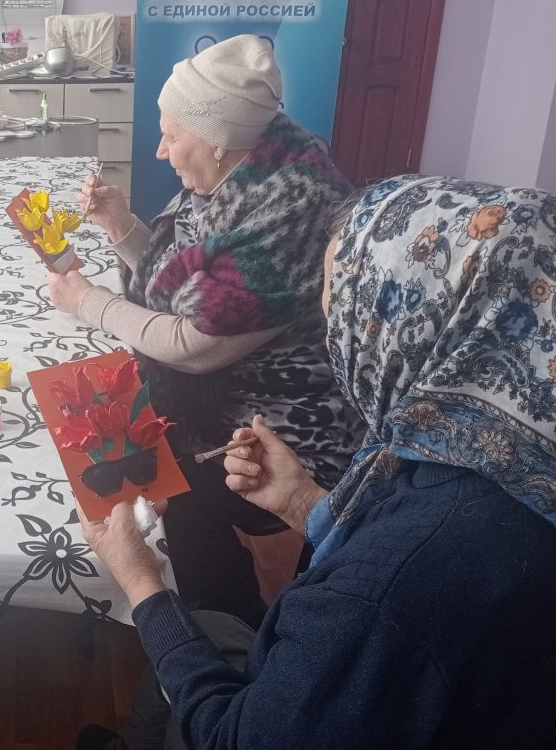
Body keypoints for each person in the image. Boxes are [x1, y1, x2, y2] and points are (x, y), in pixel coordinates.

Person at [76, 176, 556, 750]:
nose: (328, 326)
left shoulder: (399, 582)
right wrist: (306, 503)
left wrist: (141, 582)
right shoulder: (523, 448)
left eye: (338, 300)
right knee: (211, 629)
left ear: (402, 320)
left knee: (191, 651)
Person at [48, 34, 361, 625]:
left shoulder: (294, 209)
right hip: (225, 397)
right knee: (98, 432)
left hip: (291, 426)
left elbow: (195, 344)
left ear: (216, 138)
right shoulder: (239, 168)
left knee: (167, 489)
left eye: (171, 136)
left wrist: (86, 300)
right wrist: (121, 225)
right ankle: (221, 611)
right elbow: (186, 286)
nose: (160, 150)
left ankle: (226, 626)